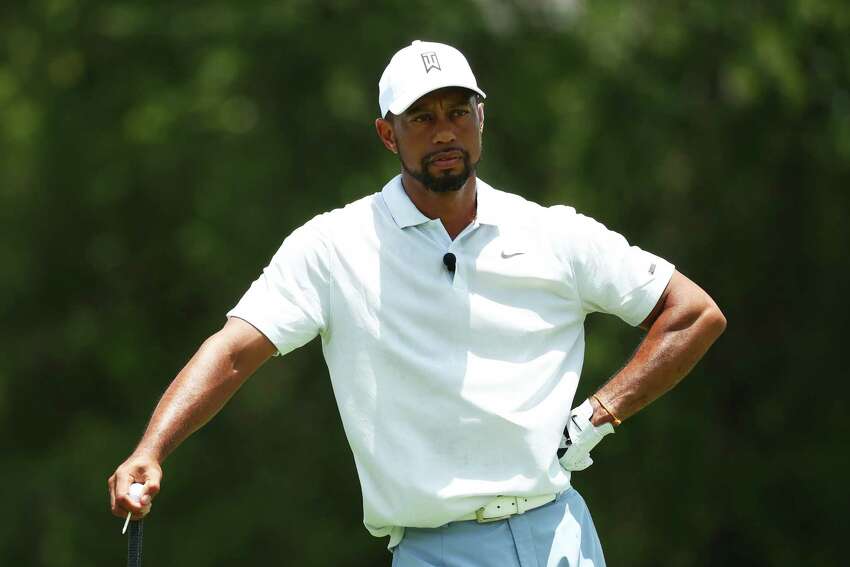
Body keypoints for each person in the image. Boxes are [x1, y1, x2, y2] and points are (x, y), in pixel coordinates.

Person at [108, 40, 726, 566]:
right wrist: (151, 449)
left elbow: (693, 313)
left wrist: (598, 414)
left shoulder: (554, 233)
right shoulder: (334, 246)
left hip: (559, 538)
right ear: (387, 133)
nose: (445, 132)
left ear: (481, 119)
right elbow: (235, 351)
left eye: (458, 111)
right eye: (422, 119)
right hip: (432, 549)